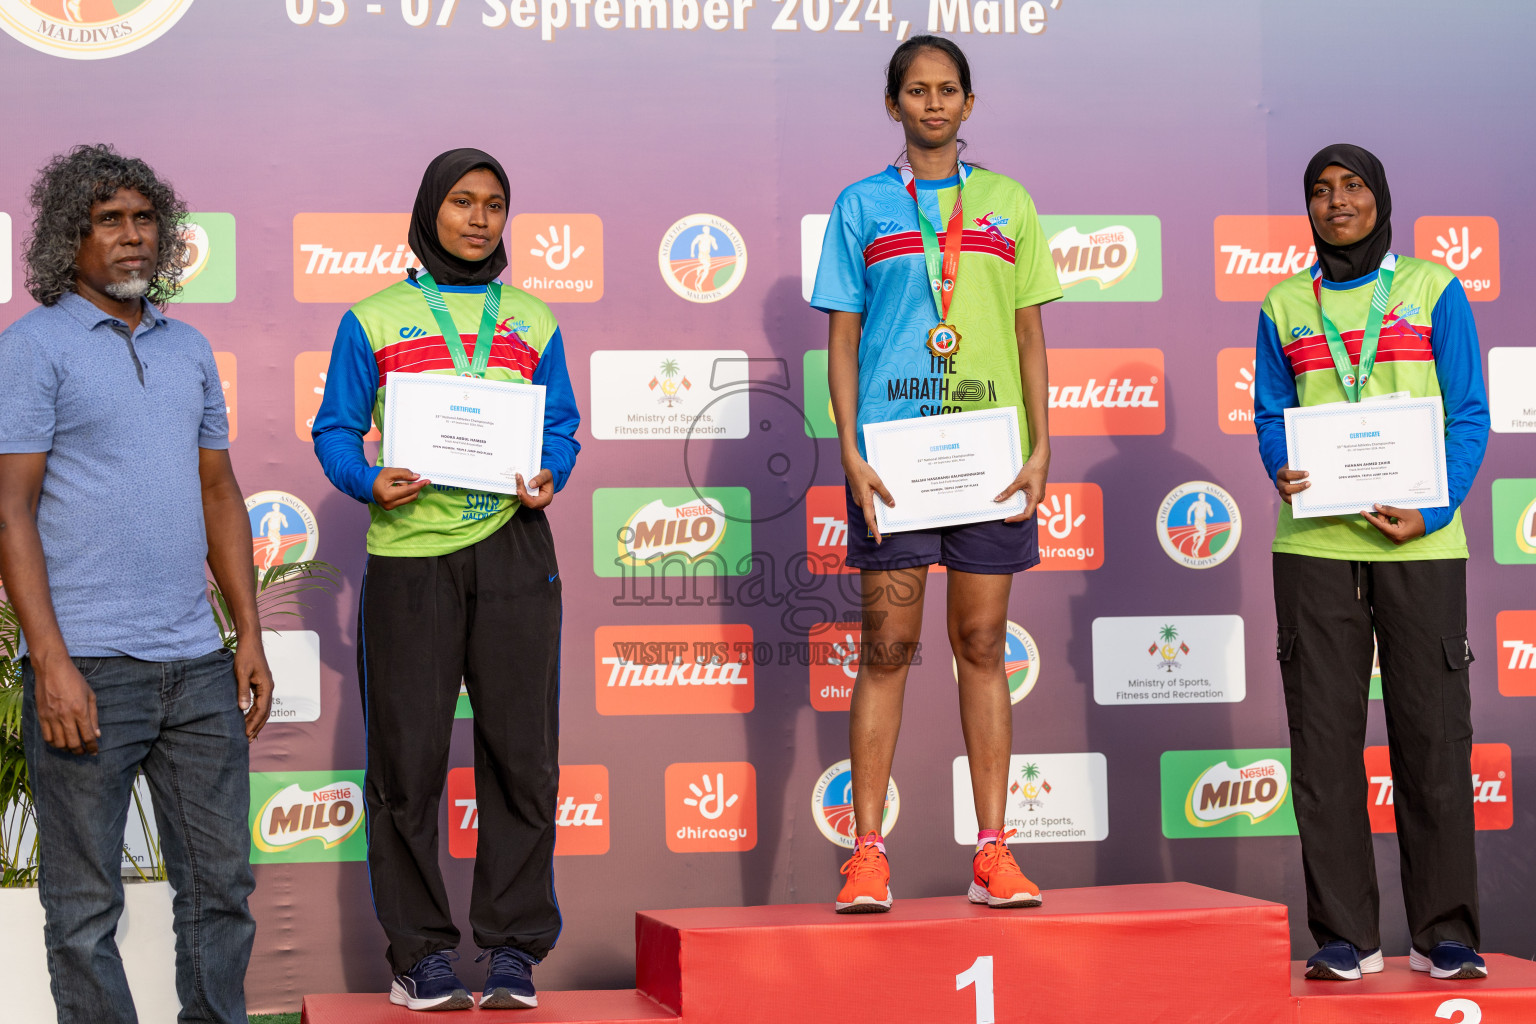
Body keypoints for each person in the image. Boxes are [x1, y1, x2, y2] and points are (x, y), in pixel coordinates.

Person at [0, 144, 272, 1024]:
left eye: (144, 219)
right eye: (108, 221)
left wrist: (249, 637)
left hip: (196, 665)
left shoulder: (188, 347)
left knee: (222, 890)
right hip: (89, 667)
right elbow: (10, 509)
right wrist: (52, 663)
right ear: (68, 239)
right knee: (83, 912)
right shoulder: (33, 349)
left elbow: (219, 492)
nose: (132, 238)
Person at [312, 148, 580, 1011]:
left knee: (524, 760)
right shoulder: (376, 316)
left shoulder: (533, 320)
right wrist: (365, 480)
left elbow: (563, 428)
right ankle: (419, 955)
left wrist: (551, 474)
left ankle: (511, 953)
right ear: (430, 210)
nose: (477, 218)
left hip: (513, 549)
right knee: (406, 765)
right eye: (461, 202)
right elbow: (336, 429)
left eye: (493, 204)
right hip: (409, 559)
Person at [810, 37, 1061, 914]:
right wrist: (850, 445)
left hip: (991, 458)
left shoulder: (1008, 203)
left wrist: (1041, 443)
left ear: (967, 101)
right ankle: (867, 853)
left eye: (948, 89)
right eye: (916, 91)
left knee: (984, 646)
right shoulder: (863, 205)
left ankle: (994, 853)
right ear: (893, 105)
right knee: (888, 650)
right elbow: (842, 338)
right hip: (895, 461)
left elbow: (1029, 334)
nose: (933, 103)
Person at [1253, 144, 1490, 981]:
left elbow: (1468, 413)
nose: (1336, 202)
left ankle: (1446, 931)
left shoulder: (1433, 289)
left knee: (1433, 738)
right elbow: (1271, 416)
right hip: (1315, 544)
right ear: (1307, 208)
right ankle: (1345, 937)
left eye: (1352, 187)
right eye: (1319, 191)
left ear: (1380, 198)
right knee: (1323, 748)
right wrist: (1279, 464)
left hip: (1420, 541)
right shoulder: (1285, 303)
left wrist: (1431, 509)